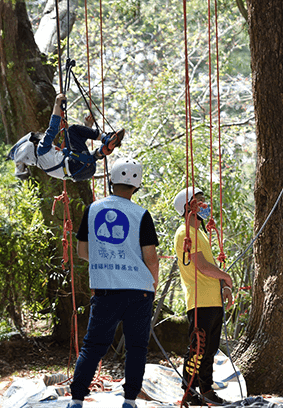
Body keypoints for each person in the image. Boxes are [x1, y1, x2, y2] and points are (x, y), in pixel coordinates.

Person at [65, 159, 159, 408]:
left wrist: (107, 261)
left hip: (106, 289)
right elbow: (151, 258)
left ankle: (76, 400)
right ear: (137, 186)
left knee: (93, 346)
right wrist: (153, 284)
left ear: (110, 180)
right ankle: (129, 400)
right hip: (139, 290)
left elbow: (82, 251)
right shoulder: (141, 214)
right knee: (136, 348)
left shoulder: (93, 209)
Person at [173, 187, 234, 406]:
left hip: (212, 299)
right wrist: (226, 277)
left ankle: (206, 390)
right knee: (198, 348)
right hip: (200, 300)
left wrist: (223, 286)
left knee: (209, 350)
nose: (204, 204)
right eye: (199, 201)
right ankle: (189, 392)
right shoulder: (185, 233)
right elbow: (202, 266)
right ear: (188, 206)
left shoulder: (200, 234)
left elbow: (210, 266)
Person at [9, 92, 126, 182]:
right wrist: (57, 104)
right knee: (72, 130)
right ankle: (105, 138)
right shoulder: (41, 149)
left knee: (73, 147)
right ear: (33, 145)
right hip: (76, 165)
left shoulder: (43, 164)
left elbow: (75, 148)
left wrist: (87, 128)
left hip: (83, 172)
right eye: (37, 138)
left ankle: (100, 152)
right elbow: (52, 129)